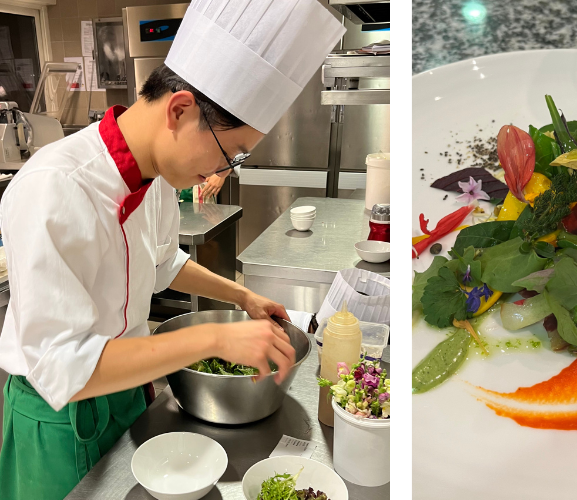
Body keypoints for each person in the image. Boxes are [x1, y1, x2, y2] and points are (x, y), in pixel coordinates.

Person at [0, 1, 345, 499]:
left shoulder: (156, 178)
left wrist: (240, 297)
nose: (222, 171)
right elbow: (63, 369)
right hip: (59, 419)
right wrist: (210, 339)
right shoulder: (52, 189)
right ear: (180, 110)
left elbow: (161, 263)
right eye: (231, 153)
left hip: (129, 392)